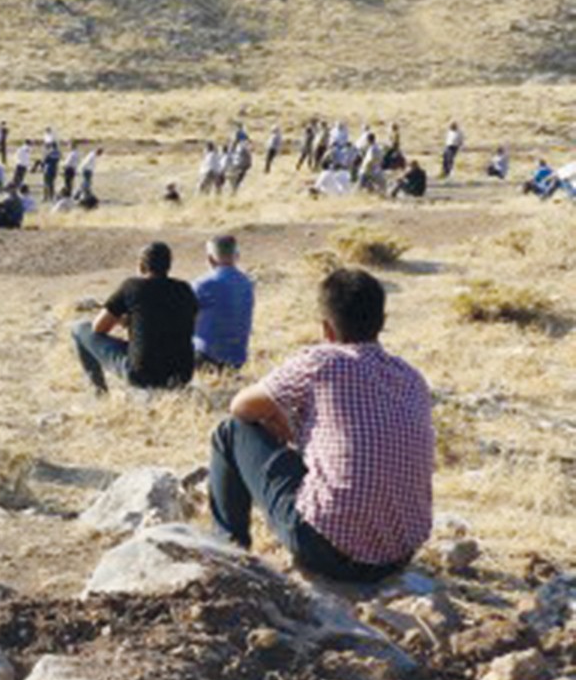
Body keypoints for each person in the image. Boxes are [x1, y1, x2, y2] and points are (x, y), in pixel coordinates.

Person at [207, 268, 431, 583]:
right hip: (398, 556)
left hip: (329, 549)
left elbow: (241, 407)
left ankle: (227, 555)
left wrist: (275, 414)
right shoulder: (412, 377)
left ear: (326, 328)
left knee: (229, 432)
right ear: (383, 321)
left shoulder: (322, 362)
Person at [71, 241, 198, 395]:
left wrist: (121, 320)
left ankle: (99, 392)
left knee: (79, 328)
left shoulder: (132, 286)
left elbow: (98, 327)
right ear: (168, 265)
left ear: (141, 265)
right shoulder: (184, 289)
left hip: (143, 374)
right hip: (182, 374)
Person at [192, 235, 255, 371]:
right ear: (237, 256)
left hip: (207, 359)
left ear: (210, 259)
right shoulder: (247, 282)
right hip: (238, 358)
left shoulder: (203, 284)